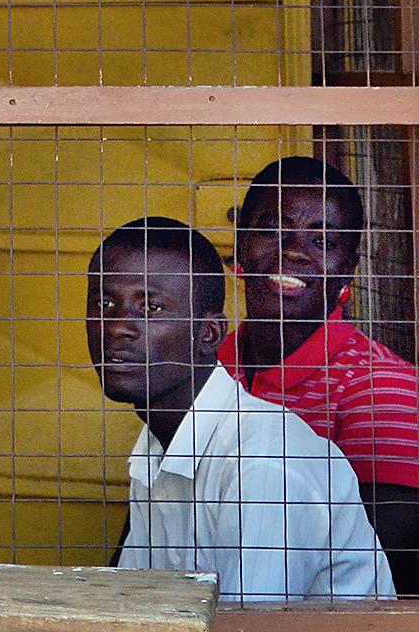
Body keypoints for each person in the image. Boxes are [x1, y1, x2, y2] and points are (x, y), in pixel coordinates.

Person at [86, 216, 391, 602]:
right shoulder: (158, 444)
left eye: (152, 307)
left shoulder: (262, 464)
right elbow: (132, 608)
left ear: (208, 335)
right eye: (105, 303)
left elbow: (250, 623)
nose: (117, 327)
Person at [221, 156, 419, 593]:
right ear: (239, 245)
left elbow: (387, 574)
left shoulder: (383, 385)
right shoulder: (208, 367)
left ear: (347, 268)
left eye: (324, 240)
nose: (293, 250)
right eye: (273, 229)